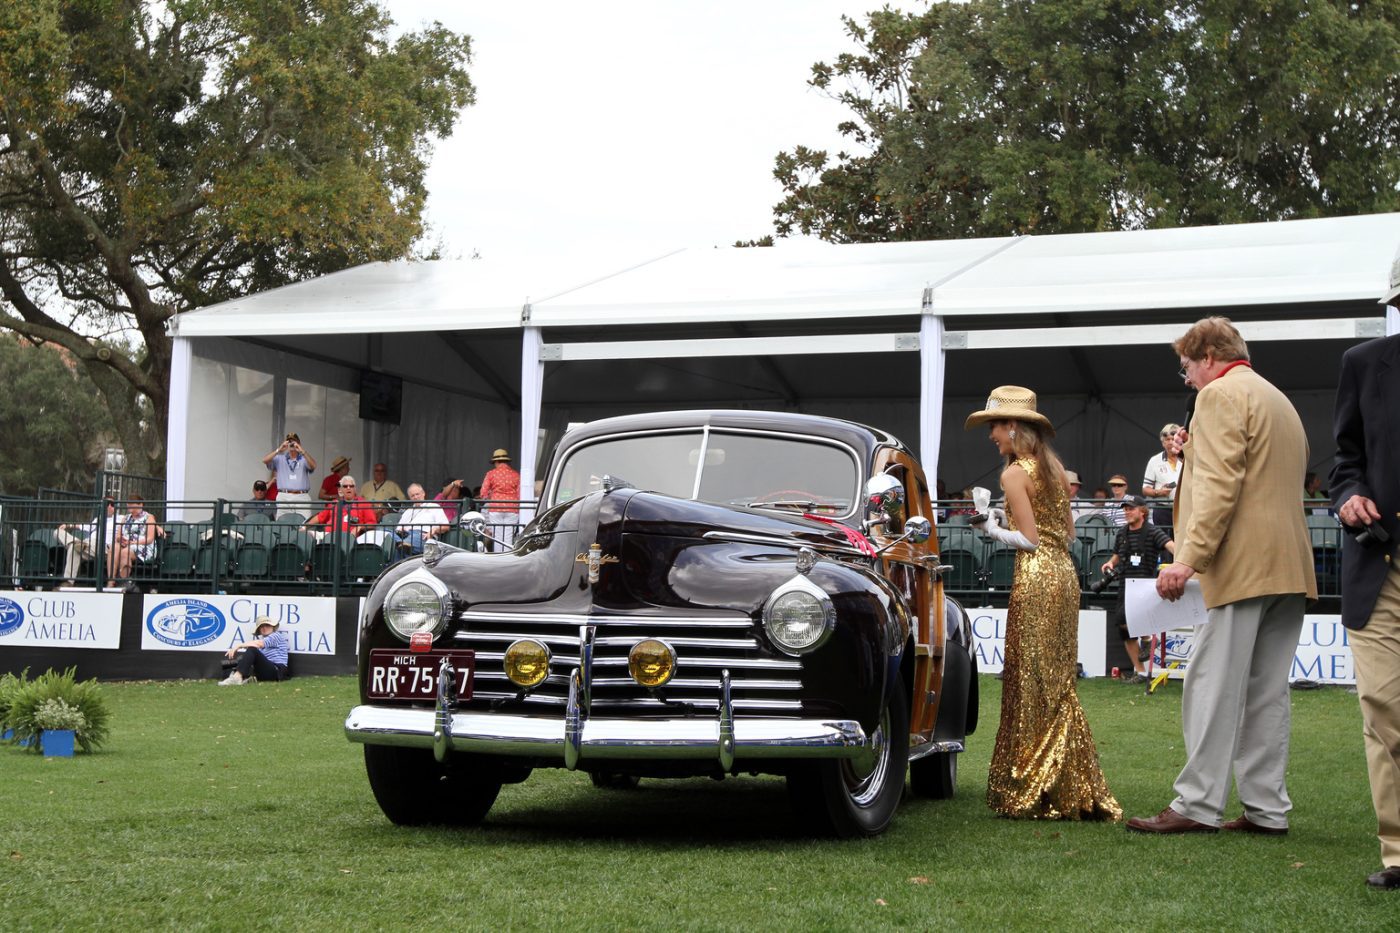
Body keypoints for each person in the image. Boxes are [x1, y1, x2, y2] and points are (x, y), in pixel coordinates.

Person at [1127, 316, 1316, 836]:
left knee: (1210, 686)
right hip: (1289, 564)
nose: (1186, 378)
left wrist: (1189, 558)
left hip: (1239, 566)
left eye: (1187, 366)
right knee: (1266, 693)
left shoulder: (1218, 397)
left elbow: (1221, 487)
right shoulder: (1276, 398)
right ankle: (1266, 810)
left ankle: (1197, 803)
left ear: (1208, 356)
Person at [965, 385, 1121, 821]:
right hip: (1064, 575)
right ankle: (1064, 782)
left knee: (1031, 679)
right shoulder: (1051, 469)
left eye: (995, 425)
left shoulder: (1014, 474)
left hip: (1036, 579)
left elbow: (1029, 541)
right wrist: (997, 519)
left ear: (1012, 427)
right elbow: (1063, 533)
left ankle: (1035, 783)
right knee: (1055, 682)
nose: (991, 434)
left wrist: (989, 529)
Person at [1328, 253, 1400, 889]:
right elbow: (1344, 459)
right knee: (1381, 701)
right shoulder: (1364, 364)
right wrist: (1348, 493)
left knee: (1383, 728)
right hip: (1380, 560)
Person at [1100, 495, 1176, 683]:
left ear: (1142, 511)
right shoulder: (1122, 533)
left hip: (1145, 585)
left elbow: (1172, 546)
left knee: (1126, 620)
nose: (1127, 512)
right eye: (1125, 509)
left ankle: (1149, 640)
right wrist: (1110, 563)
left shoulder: (1152, 531)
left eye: (1131, 508)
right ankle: (1140, 671)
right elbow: (1117, 555)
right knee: (1122, 627)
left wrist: (1183, 562)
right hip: (1125, 584)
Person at [55, 499, 117, 584]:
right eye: (107, 504)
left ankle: (68, 581)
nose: (109, 506)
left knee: (74, 548)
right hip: (88, 544)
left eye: (112, 504)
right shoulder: (98, 519)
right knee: (57, 532)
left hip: (102, 546)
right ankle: (77, 544)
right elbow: (86, 527)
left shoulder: (120, 519)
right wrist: (68, 525)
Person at [219, 616, 290, 685]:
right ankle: (238, 678)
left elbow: (259, 644)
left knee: (252, 649)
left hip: (276, 671)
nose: (264, 628)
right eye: (261, 626)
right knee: (235, 662)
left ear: (272, 626)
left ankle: (237, 677)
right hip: (265, 672)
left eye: (267, 625)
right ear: (259, 630)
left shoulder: (276, 636)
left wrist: (238, 646)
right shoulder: (263, 641)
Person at [262, 432, 316, 518]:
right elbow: (264, 460)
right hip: (284, 496)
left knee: (304, 524)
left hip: (302, 496)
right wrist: (278, 450)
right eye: (289, 441)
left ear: (299, 444)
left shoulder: (304, 458)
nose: (291, 444)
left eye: (294, 441)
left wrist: (303, 451)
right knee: (283, 524)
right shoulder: (280, 458)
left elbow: (314, 465)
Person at [108, 495, 158, 588]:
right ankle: (111, 580)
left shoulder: (148, 517)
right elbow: (118, 535)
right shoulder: (125, 518)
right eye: (128, 503)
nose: (128, 505)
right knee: (114, 547)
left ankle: (123, 582)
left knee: (125, 552)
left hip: (143, 546)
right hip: (126, 543)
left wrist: (133, 542)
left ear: (140, 505)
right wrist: (120, 539)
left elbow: (150, 538)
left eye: (131, 503)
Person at [304, 474, 376, 536]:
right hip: (329, 537)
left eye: (351, 486)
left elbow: (372, 524)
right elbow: (319, 518)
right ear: (340, 490)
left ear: (355, 489)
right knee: (308, 535)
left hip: (351, 540)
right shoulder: (334, 503)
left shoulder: (363, 503)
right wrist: (305, 527)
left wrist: (359, 527)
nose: (348, 488)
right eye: (345, 486)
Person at [479, 448, 522, 548]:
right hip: (513, 508)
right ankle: (507, 558)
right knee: (508, 536)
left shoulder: (491, 474)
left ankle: (499, 561)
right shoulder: (516, 475)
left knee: (498, 537)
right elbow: (520, 494)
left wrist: (491, 494)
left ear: (497, 462)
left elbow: (483, 493)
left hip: (495, 507)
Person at [1142, 422, 1183, 529]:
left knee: (1183, 543)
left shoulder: (1187, 459)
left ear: (1179, 441)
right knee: (1164, 544)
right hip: (1163, 509)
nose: (1170, 442)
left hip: (1184, 508)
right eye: (1167, 439)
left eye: (1173, 439)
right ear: (1163, 443)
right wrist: (1159, 492)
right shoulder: (1154, 461)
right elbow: (1145, 489)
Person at [395, 483, 451, 555]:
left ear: (423, 493)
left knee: (400, 550)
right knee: (388, 533)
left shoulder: (434, 506)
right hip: (405, 536)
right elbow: (398, 530)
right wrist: (401, 530)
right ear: (410, 498)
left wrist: (434, 530)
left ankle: (404, 545)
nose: (415, 497)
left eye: (417, 494)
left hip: (423, 536)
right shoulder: (407, 512)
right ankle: (403, 544)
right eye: (412, 496)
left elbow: (446, 526)